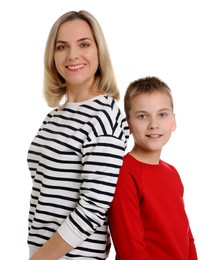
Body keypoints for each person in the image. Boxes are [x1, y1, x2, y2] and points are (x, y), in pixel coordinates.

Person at [27, 10, 129, 260]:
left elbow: (93, 209)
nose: (72, 55)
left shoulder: (104, 116)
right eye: (62, 47)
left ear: (98, 51)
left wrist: (40, 258)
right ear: (52, 55)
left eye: (84, 44)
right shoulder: (54, 118)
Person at [108, 76, 198, 259]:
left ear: (173, 121)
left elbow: (186, 235)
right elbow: (130, 249)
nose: (153, 124)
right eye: (142, 116)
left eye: (162, 115)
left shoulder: (172, 173)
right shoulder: (124, 172)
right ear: (128, 125)